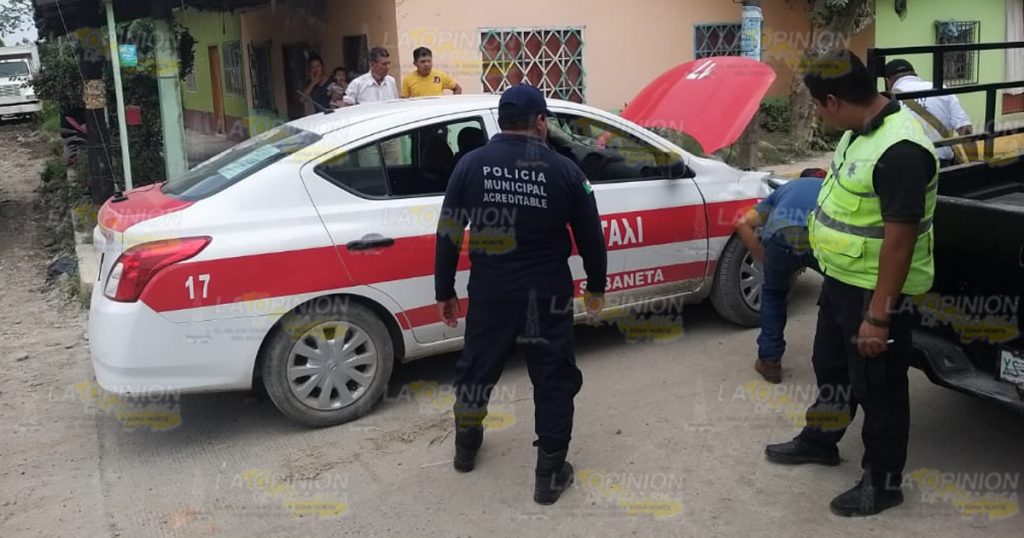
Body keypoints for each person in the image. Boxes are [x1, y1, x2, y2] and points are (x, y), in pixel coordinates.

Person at [764, 49, 938, 517]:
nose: (819, 115)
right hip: (842, 280)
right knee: (832, 368)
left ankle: (882, 484)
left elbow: (899, 242)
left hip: (879, 292)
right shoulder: (856, 133)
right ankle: (821, 440)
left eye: (818, 106)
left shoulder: (901, 151)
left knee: (879, 389)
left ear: (834, 102)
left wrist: (879, 318)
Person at [434, 84, 607, 505]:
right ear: (541, 122)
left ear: (502, 120)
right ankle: (549, 474)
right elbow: (591, 237)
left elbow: (449, 231)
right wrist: (596, 286)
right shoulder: (566, 170)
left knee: (477, 369)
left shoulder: (470, 165)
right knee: (553, 378)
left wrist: (444, 290)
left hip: (490, 291)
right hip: (547, 293)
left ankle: (465, 448)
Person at [734, 168, 825, 384]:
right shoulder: (833, 188)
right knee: (836, 296)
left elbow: (742, 223)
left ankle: (770, 362)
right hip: (820, 238)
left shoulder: (786, 189)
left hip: (781, 238)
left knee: (774, 295)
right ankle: (834, 361)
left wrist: (762, 256)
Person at [884, 59, 974, 167]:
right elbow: (965, 129)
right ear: (914, 74)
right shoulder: (940, 89)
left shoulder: (887, 99)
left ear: (888, 80)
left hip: (906, 165)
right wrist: (973, 162)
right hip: (941, 163)